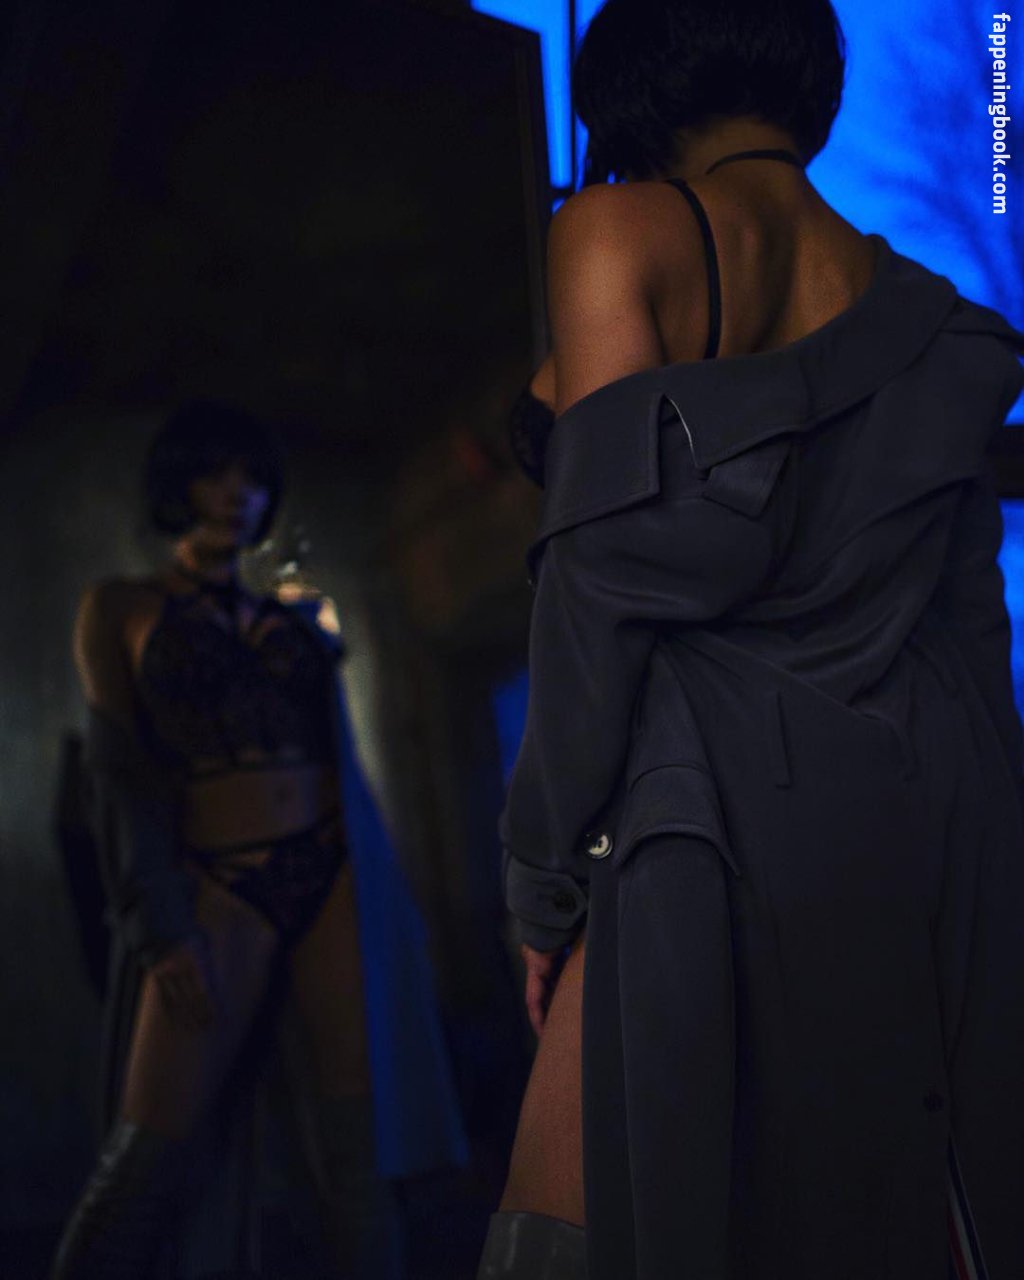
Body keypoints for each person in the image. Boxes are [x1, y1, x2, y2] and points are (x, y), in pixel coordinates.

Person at [480, 0, 1024, 1276]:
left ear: (635, 86)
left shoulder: (617, 228)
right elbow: (971, 637)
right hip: (917, 815)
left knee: (620, 1218)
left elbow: (596, 591)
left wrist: (540, 876)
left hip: (702, 805)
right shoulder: (944, 325)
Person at [52, 400, 467, 1279]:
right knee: (140, 1164)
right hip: (219, 882)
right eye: (217, 474)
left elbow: (337, 753)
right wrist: (160, 922)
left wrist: (318, 638)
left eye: (252, 479)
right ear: (180, 484)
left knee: (358, 1156)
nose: (237, 494)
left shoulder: (296, 616)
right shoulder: (119, 606)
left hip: (330, 872)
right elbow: (117, 777)